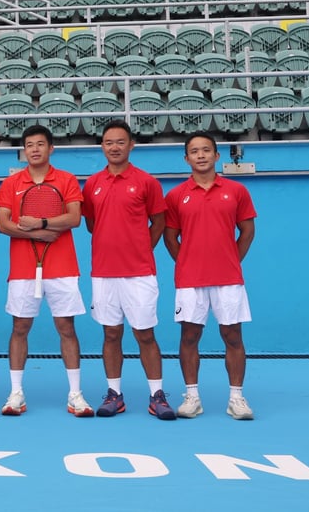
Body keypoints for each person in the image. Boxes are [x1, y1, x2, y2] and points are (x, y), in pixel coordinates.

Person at [0, 124, 93, 417]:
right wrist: (37, 235)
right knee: (19, 328)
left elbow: (74, 218)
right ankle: (15, 394)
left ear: (51, 149)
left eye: (40, 144)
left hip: (62, 269)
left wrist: (41, 223)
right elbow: (3, 224)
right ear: (24, 150)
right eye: (29, 145)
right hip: (23, 271)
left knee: (66, 328)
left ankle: (75, 394)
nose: (34, 149)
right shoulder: (12, 184)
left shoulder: (66, 180)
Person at [82, 120, 176, 421]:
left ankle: (157, 395)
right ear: (102, 146)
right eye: (109, 142)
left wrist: (140, 248)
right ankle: (114, 395)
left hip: (139, 272)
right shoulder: (93, 184)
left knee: (144, 334)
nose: (114, 147)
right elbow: (92, 223)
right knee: (111, 334)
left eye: (120, 142)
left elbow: (158, 222)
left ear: (131, 145)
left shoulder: (147, 182)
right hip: (104, 273)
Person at [163, 132, 257, 420]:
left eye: (206, 150)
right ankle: (192, 397)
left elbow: (247, 231)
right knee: (189, 336)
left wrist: (229, 260)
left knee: (233, 336)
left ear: (217, 156)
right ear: (186, 158)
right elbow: (170, 237)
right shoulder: (176, 195)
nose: (200, 155)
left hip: (229, 278)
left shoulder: (237, 190)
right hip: (190, 280)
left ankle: (236, 399)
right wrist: (189, 263)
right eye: (194, 151)